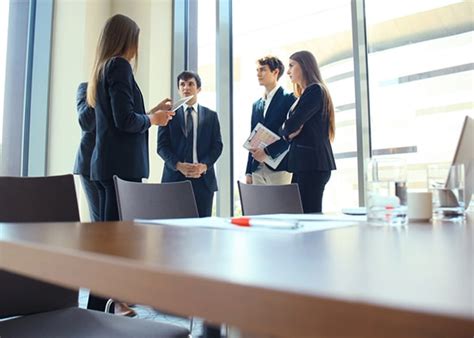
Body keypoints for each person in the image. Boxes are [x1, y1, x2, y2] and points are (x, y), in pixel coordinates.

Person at [86, 14, 174, 313]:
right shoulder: (120, 65)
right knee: (114, 246)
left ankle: (99, 309)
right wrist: (153, 119)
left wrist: (150, 113)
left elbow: (117, 118)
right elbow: (126, 121)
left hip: (107, 165)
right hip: (120, 169)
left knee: (109, 243)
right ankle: (98, 312)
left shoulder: (103, 67)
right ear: (127, 39)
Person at [158, 71, 223, 217]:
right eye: (182, 84)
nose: (186, 87)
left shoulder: (211, 116)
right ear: (178, 89)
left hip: (203, 180)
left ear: (198, 88)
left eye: (190, 84)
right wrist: (178, 165)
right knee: (172, 230)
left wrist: (204, 166)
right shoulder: (168, 114)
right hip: (175, 179)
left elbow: (217, 146)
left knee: (202, 230)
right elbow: (161, 146)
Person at [281, 50, 336, 213]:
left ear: (304, 66)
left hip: (312, 164)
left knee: (310, 216)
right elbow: (287, 128)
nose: (288, 71)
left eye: (291, 65)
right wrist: (288, 132)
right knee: (299, 214)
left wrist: (288, 131)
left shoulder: (315, 91)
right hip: (303, 164)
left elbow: (291, 125)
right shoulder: (301, 96)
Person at [245, 56, 296, 185]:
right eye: (257, 70)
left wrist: (268, 153)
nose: (258, 74)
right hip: (257, 168)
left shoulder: (289, 99)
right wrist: (248, 171)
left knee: (281, 205)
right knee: (259, 206)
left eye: (262, 70)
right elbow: (252, 138)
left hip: (280, 167)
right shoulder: (256, 105)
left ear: (275, 72)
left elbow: (292, 134)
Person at [73, 82, 100, 222]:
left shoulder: (120, 89)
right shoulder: (86, 88)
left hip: (115, 164)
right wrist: (99, 90)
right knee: (100, 222)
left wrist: (151, 114)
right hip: (90, 164)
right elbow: (86, 122)